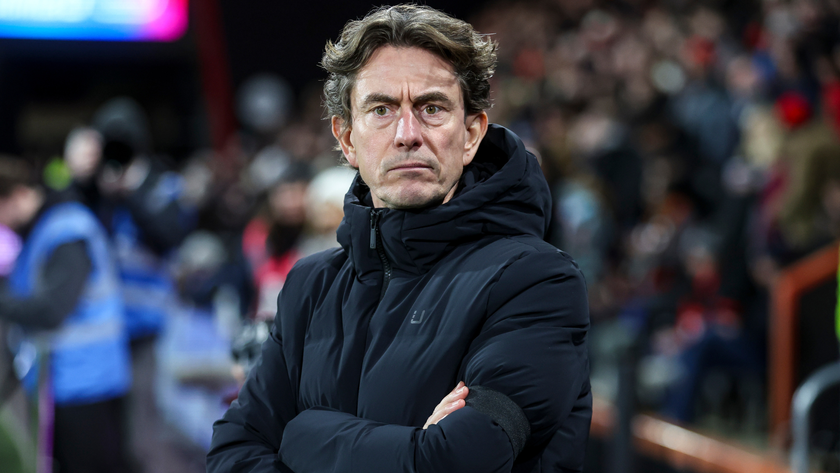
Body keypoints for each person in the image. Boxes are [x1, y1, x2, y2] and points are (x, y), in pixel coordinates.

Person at [207, 5, 591, 472]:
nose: (408, 135)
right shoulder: (309, 286)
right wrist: (410, 448)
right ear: (347, 139)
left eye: (432, 108)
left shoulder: (536, 280)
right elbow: (232, 454)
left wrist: (302, 434)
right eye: (382, 110)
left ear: (471, 134)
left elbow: (455, 460)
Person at [0, 157, 132, 473]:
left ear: (17, 195)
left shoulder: (67, 231)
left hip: (87, 383)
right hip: (64, 379)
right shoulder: (46, 228)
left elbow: (51, 309)